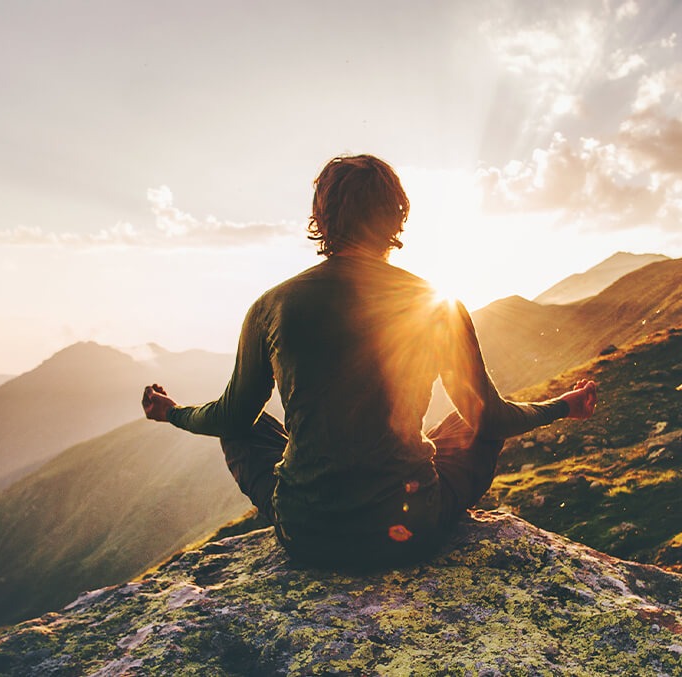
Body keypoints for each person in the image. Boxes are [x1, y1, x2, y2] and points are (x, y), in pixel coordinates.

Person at [142, 154, 597, 569]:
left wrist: (172, 412)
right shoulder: (436, 303)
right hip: (409, 532)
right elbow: (492, 418)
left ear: (321, 218)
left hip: (307, 535)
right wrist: (563, 406)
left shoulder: (272, 305)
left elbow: (229, 417)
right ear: (397, 216)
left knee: (246, 425)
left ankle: (314, 496)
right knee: (470, 423)